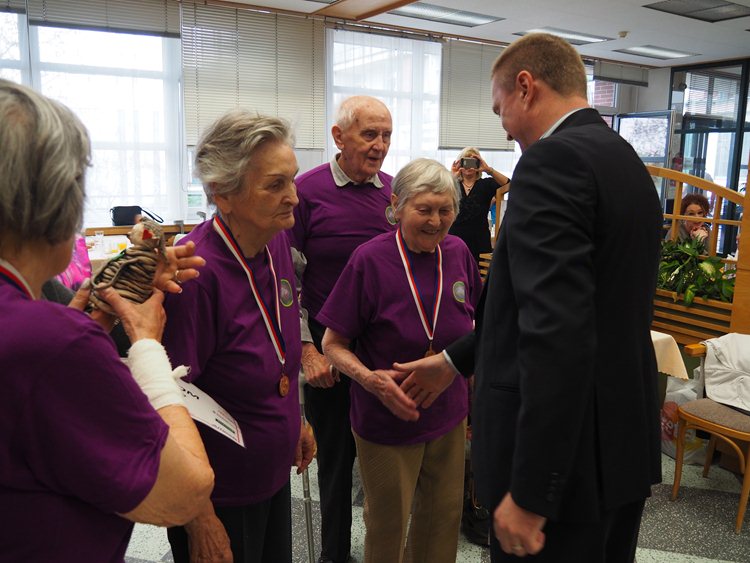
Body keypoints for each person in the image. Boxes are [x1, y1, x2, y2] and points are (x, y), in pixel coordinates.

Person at [395, 33, 663, 562]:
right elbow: (577, 309)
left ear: (525, 87)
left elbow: (556, 333)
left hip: (561, 474)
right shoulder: (624, 160)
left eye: (500, 110)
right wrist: (453, 361)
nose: (504, 128)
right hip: (616, 451)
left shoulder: (551, 162)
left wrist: (534, 490)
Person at [0, 79, 213, 561]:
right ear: (60, 199)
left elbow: (31, 404)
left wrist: (90, 327)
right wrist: (147, 346)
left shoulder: (43, 332)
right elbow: (186, 490)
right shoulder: (49, 340)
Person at [162, 110, 315, 563]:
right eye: (275, 184)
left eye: (293, 179)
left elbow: (279, 351)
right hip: (219, 493)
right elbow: (168, 405)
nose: (294, 197)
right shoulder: (194, 274)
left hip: (270, 471)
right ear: (222, 193)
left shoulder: (275, 242)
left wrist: (295, 420)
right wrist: (200, 519)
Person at [319, 158, 482, 563]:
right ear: (396, 205)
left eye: (445, 210)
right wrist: (369, 380)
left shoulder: (458, 252)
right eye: (424, 209)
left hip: (448, 413)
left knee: (441, 521)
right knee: (388, 527)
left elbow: (477, 325)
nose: (436, 221)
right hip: (387, 418)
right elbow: (332, 344)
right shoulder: (369, 260)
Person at [289, 95, 396, 563]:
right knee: (335, 461)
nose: (379, 146)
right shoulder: (305, 192)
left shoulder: (394, 192)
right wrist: (307, 351)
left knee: (385, 459)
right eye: (369, 134)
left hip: (382, 349)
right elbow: (286, 282)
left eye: (386, 135)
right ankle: (333, 554)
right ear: (339, 136)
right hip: (327, 349)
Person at [449, 147, 510, 264]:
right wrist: (452, 175)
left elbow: (508, 184)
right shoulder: (452, 184)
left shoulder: (486, 184)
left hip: (479, 241)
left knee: (479, 274)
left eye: (473, 162)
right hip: (455, 239)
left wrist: (488, 170)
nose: (469, 166)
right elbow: (437, 192)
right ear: (460, 163)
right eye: (465, 162)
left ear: (478, 164)